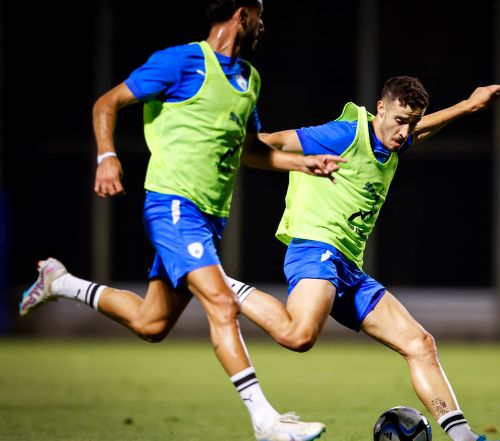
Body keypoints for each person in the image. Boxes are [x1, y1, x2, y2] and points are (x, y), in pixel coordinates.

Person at [18, 1, 341, 439]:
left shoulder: (249, 79)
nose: (263, 24)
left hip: (207, 219)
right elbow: (106, 103)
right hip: (173, 206)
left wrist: (303, 164)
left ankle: (60, 283)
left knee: (151, 324)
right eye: (260, 14)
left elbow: (250, 151)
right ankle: (266, 422)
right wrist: (106, 156)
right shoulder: (182, 61)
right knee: (222, 304)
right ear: (241, 14)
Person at [225, 76, 500, 441]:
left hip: (348, 267)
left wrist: (469, 105)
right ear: (380, 109)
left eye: (412, 123)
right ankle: (222, 284)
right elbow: (271, 142)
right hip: (316, 248)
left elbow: (421, 130)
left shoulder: (395, 139)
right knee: (299, 336)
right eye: (400, 121)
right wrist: (228, 146)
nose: (405, 132)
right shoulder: (343, 135)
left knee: (420, 345)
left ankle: (465, 438)